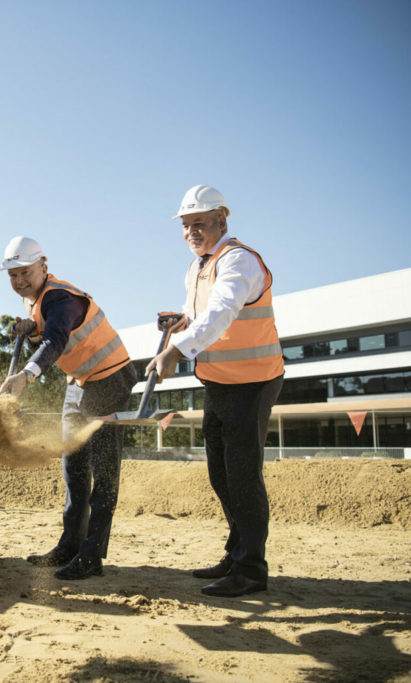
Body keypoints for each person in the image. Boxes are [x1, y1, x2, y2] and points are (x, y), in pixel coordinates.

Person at [145, 185, 284, 598]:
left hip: (253, 381)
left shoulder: (239, 260)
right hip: (221, 383)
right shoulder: (198, 267)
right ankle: (236, 551)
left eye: (200, 223)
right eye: (186, 226)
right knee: (221, 475)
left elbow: (222, 313)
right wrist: (180, 323)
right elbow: (200, 316)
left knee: (242, 476)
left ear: (222, 219)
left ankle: (251, 569)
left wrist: (176, 350)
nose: (191, 232)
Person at [0, 236, 137, 580]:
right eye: (13, 275)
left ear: (43, 267)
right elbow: (47, 336)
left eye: (25, 272)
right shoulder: (37, 302)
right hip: (79, 383)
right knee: (72, 467)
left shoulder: (61, 297)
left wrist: (25, 376)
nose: (19, 281)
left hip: (110, 380)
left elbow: (57, 339)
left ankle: (92, 556)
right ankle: (70, 544)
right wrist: (30, 332)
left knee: (103, 472)